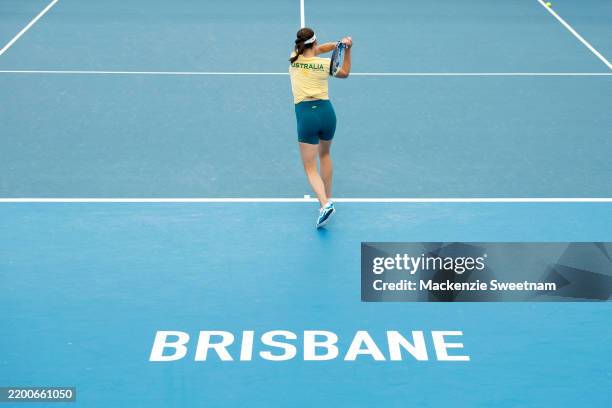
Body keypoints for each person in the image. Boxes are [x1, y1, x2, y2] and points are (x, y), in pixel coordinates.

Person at [289, 27, 352, 228]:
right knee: (325, 155)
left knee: (309, 167)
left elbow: (315, 49)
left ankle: (324, 204)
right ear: (315, 44)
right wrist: (345, 49)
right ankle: (328, 199)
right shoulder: (326, 65)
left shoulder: (294, 58)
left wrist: (335, 45)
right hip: (327, 114)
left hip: (307, 116)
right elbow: (345, 73)